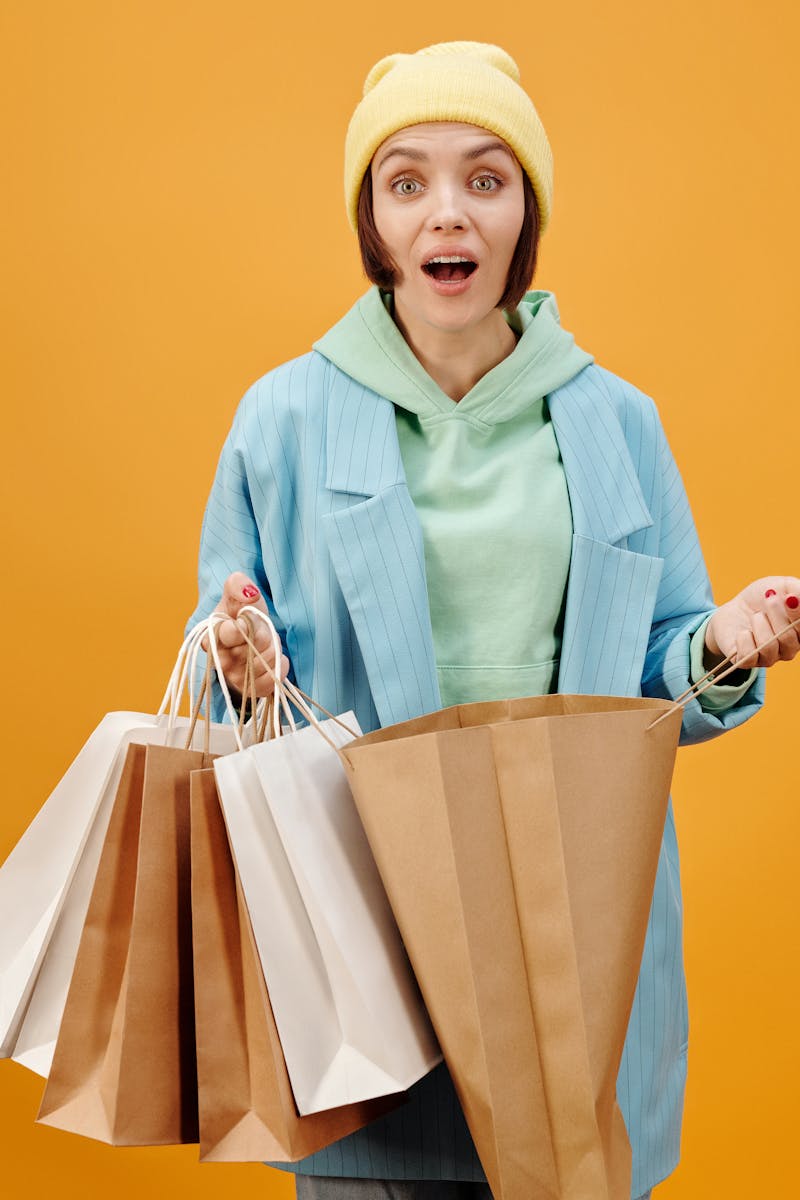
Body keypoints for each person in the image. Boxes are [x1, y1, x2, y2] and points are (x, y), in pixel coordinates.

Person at [187, 40, 800, 1200]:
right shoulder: (283, 418)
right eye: (404, 181)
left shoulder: (616, 421)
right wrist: (236, 656)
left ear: (525, 211)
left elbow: (663, 671)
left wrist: (719, 644)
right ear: (371, 220)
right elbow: (226, 653)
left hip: (571, 913)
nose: (444, 214)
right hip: (370, 914)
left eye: (485, 175)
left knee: (568, 1161)